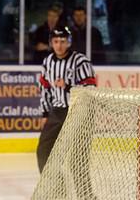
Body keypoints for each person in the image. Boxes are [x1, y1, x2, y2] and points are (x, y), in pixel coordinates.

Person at [37, 26, 96, 174]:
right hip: (57, 112)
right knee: (43, 150)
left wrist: (68, 86)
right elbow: (44, 88)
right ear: (51, 43)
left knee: (77, 157)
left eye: (63, 41)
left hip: (79, 112)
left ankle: (84, 195)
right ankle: (53, 186)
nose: (59, 45)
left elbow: (91, 87)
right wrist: (45, 113)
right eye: (56, 41)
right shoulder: (48, 61)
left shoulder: (80, 61)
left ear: (69, 42)